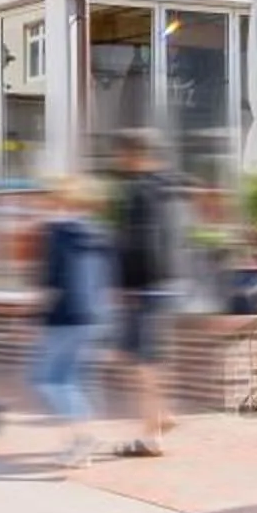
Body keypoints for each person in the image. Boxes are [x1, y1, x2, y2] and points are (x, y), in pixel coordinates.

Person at [107, 128, 181, 457]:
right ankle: (161, 416)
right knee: (144, 358)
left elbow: (139, 241)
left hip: (144, 286)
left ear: (135, 154)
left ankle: (153, 433)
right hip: (163, 283)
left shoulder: (139, 191)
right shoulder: (166, 187)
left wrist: (128, 284)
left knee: (141, 361)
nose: (119, 160)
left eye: (122, 153)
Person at [31, 179, 112, 467]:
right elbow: (106, 279)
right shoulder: (101, 233)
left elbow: (51, 279)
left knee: (49, 380)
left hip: (63, 316)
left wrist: (34, 314)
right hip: (92, 317)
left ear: (61, 201)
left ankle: (83, 436)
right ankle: (81, 438)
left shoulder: (57, 232)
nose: (44, 205)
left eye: (49, 200)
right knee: (72, 380)